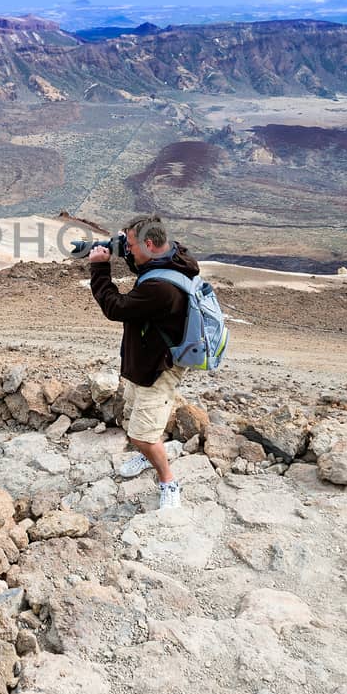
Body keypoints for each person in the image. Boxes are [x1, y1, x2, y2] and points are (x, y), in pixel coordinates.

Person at [85, 214, 198, 511]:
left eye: (131, 245)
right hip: (146, 361)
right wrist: (118, 245)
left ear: (149, 243)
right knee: (134, 415)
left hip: (158, 369)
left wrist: (99, 268)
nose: (129, 250)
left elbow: (115, 307)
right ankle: (147, 451)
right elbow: (140, 260)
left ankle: (168, 480)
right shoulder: (172, 254)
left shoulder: (160, 288)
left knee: (141, 434)